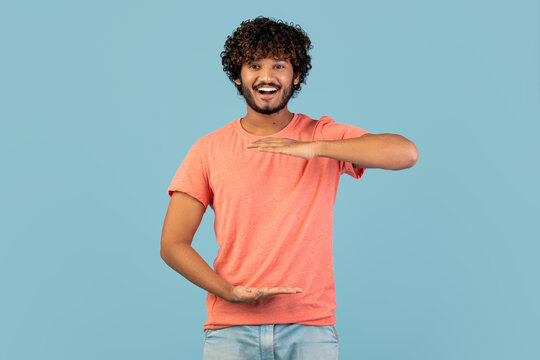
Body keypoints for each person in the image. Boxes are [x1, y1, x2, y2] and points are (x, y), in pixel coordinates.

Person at [161, 16, 418, 360]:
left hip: (310, 327)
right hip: (230, 331)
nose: (267, 76)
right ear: (238, 76)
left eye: (279, 65)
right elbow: (173, 244)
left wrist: (314, 148)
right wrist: (229, 292)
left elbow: (405, 152)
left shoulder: (321, 135)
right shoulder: (209, 149)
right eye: (254, 65)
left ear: (295, 76)